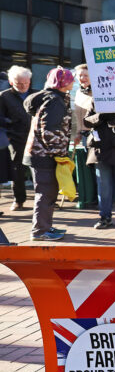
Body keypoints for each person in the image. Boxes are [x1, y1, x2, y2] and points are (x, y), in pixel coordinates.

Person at [79, 64, 115, 229]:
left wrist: (112, 120)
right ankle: (104, 217)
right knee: (104, 186)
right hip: (101, 148)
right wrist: (101, 117)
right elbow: (87, 120)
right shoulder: (96, 98)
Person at [24, 66, 74, 242]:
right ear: (63, 83)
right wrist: (59, 154)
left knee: (49, 192)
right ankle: (39, 231)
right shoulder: (54, 101)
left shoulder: (50, 98)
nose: (73, 82)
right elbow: (49, 131)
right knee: (45, 193)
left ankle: (45, 226)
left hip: (39, 154)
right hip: (44, 156)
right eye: (70, 79)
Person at [0, 66, 34, 211]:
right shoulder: (4, 96)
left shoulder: (36, 94)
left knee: (39, 168)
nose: (23, 86)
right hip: (15, 137)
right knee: (17, 170)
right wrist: (7, 134)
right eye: (19, 83)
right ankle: (19, 199)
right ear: (11, 81)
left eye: (26, 83)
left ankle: (44, 198)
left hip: (34, 137)